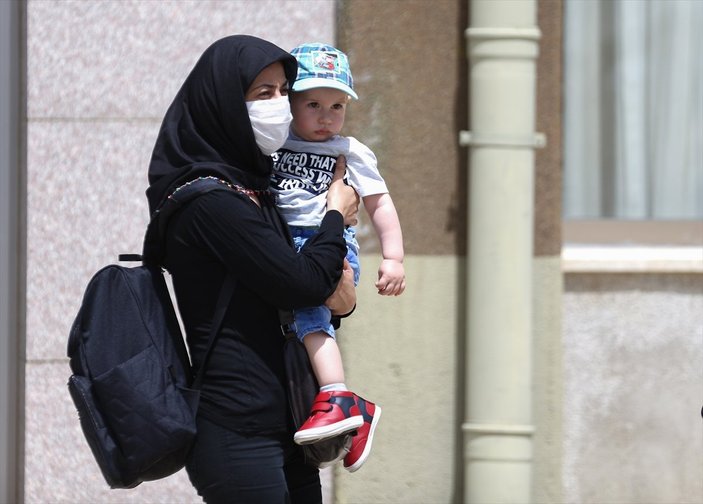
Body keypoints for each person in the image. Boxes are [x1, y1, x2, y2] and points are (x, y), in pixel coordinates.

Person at [145, 34, 360, 503]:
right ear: (224, 103)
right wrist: (334, 214)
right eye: (263, 93)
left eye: (285, 91)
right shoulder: (209, 202)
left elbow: (327, 294)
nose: (280, 106)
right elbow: (302, 281)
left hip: (290, 421)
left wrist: (339, 292)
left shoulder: (258, 189)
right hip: (237, 429)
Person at [270, 43, 405, 471]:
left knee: (312, 317)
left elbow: (380, 204)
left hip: (327, 243)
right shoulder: (274, 144)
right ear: (289, 101)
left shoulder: (351, 152)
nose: (326, 116)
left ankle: (337, 394)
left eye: (337, 105)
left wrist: (394, 257)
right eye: (312, 104)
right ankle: (346, 406)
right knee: (292, 323)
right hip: (280, 243)